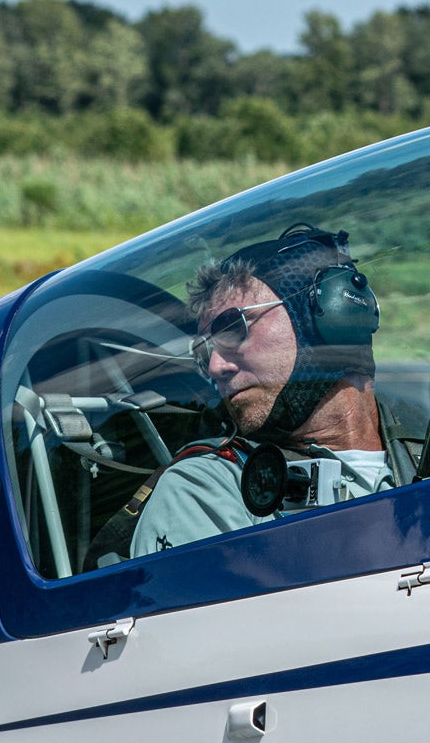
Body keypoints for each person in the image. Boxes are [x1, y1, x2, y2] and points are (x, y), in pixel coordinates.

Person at [100, 224, 408, 560]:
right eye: (205, 354)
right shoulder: (207, 489)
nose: (216, 367)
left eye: (233, 330)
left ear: (333, 314)